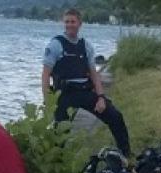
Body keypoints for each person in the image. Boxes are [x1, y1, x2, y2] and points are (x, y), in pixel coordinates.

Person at [41, 8, 131, 158]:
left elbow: (94, 74)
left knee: (115, 116)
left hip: (84, 91)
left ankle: (126, 155)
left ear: (80, 24)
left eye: (73, 21)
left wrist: (101, 97)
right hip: (64, 95)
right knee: (60, 136)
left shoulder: (85, 46)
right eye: (67, 22)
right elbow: (45, 75)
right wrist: (47, 101)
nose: (69, 25)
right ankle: (56, 164)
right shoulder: (55, 45)